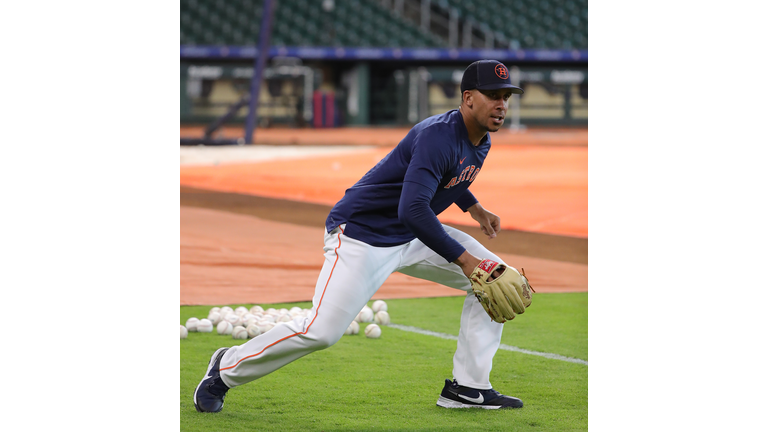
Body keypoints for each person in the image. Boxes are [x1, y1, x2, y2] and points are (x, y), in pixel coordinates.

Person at [194, 59, 527, 412]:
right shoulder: (437, 136)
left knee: (494, 277)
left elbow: (446, 175)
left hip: (411, 235)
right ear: (468, 98)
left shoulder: (481, 139)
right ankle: (225, 368)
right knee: (321, 331)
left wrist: (473, 207)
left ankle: (468, 388)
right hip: (361, 234)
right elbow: (412, 209)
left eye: (506, 96)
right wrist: (465, 261)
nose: (501, 104)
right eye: (493, 95)